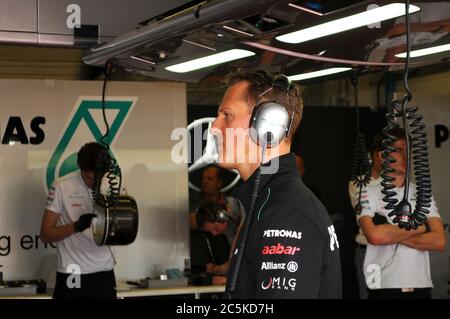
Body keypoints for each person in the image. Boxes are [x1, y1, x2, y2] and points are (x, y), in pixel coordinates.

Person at [211, 70, 342, 298]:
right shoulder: (265, 203)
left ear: (268, 125)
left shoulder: (286, 212)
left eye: (227, 115)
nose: (214, 127)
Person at [358, 128, 446, 299]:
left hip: (420, 285)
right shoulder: (366, 191)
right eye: (398, 150)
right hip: (382, 285)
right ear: (383, 156)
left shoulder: (423, 193)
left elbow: (439, 241)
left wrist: (391, 233)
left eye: (408, 150)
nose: (405, 155)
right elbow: (375, 236)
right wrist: (423, 227)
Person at [40, 142, 116, 299]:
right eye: (90, 178)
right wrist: (76, 226)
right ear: (81, 169)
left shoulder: (113, 183)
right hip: (72, 271)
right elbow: (45, 235)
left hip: (104, 272)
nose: (94, 183)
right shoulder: (62, 185)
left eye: (99, 177)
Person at [348, 134, 384, 299]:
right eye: (381, 153)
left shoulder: (398, 183)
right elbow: (371, 220)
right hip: (369, 250)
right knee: (371, 294)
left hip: (394, 250)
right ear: (372, 155)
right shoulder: (358, 183)